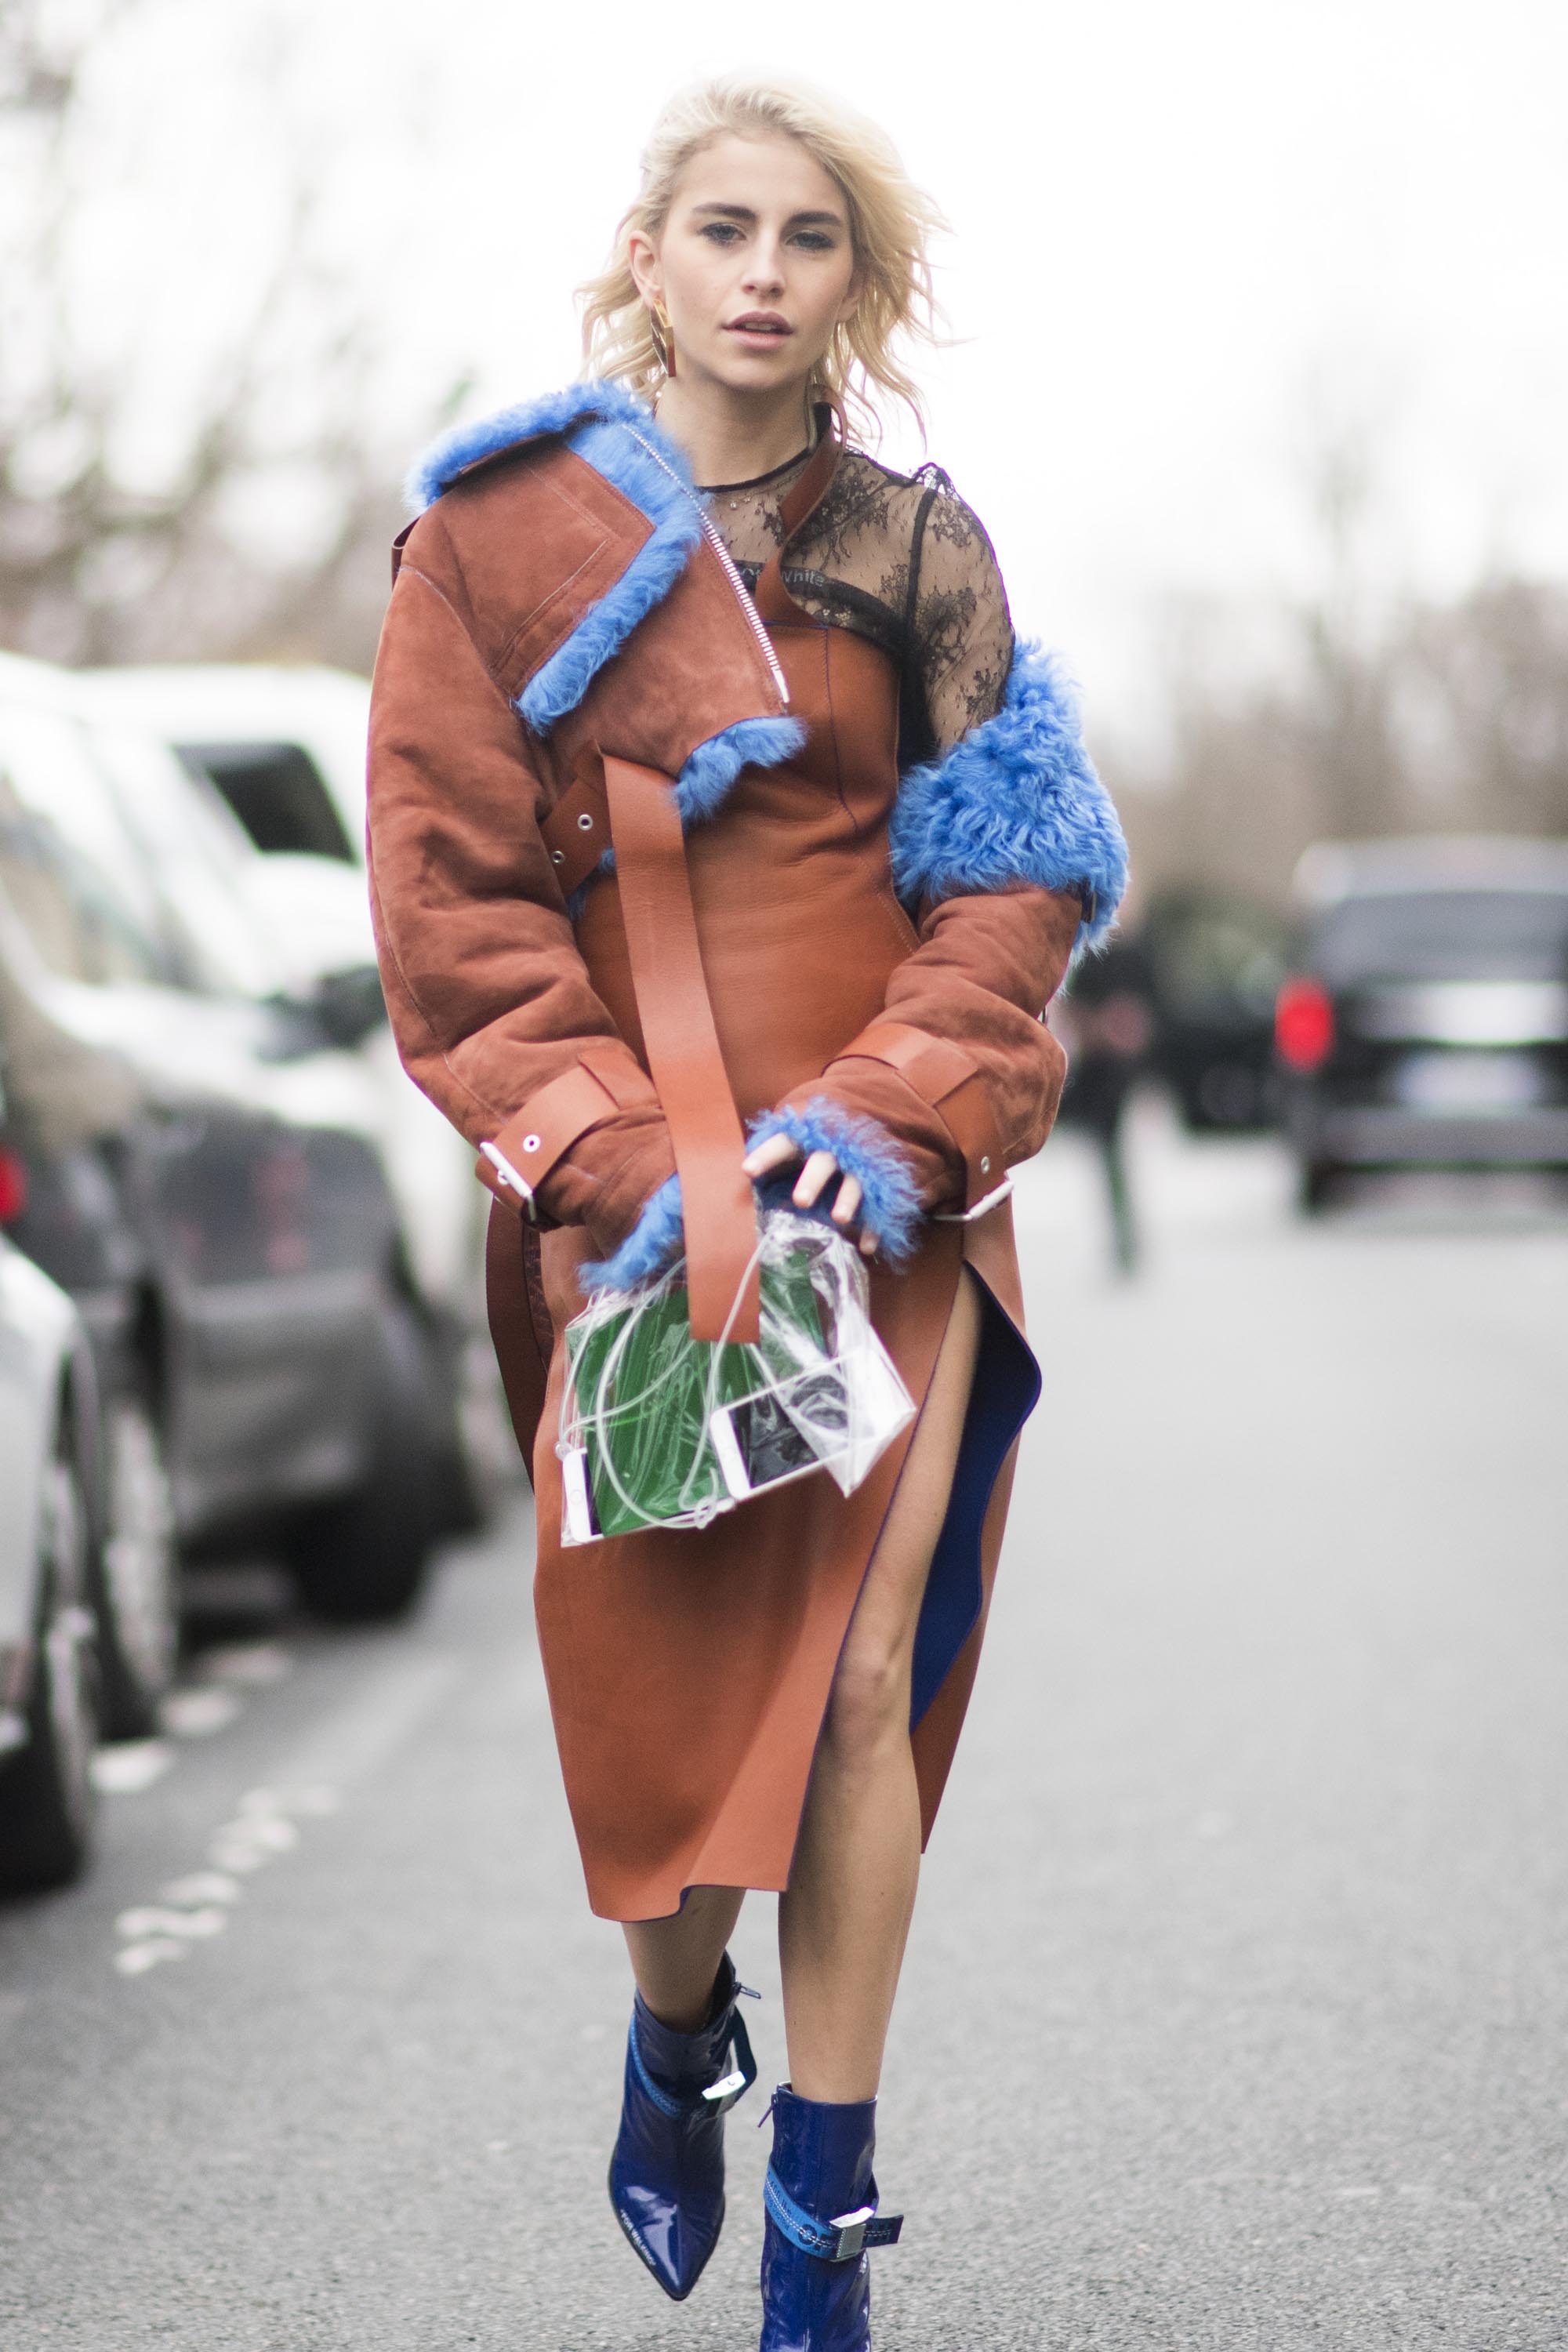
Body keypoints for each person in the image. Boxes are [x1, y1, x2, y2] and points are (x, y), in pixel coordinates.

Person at [365, 74, 1126, 2351]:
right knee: (672, 1763)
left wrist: (897, 1115)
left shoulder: (923, 551)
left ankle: (827, 2196)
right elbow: (453, 914)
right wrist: (619, 1161)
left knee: (865, 1685)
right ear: (654, 252)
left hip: (891, 1185)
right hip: (630, 1208)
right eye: (728, 227)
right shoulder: (489, 548)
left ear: (852, 286)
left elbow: (1012, 883)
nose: (767, 270)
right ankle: (676, 2031)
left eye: (812, 236)